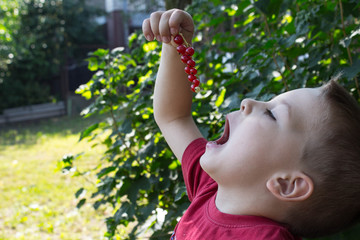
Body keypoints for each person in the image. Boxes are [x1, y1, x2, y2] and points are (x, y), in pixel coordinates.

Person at [142, 9, 360, 240]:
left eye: (271, 114)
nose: (247, 102)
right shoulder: (210, 189)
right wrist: (174, 43)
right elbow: (173, 117)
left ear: (287, 184)